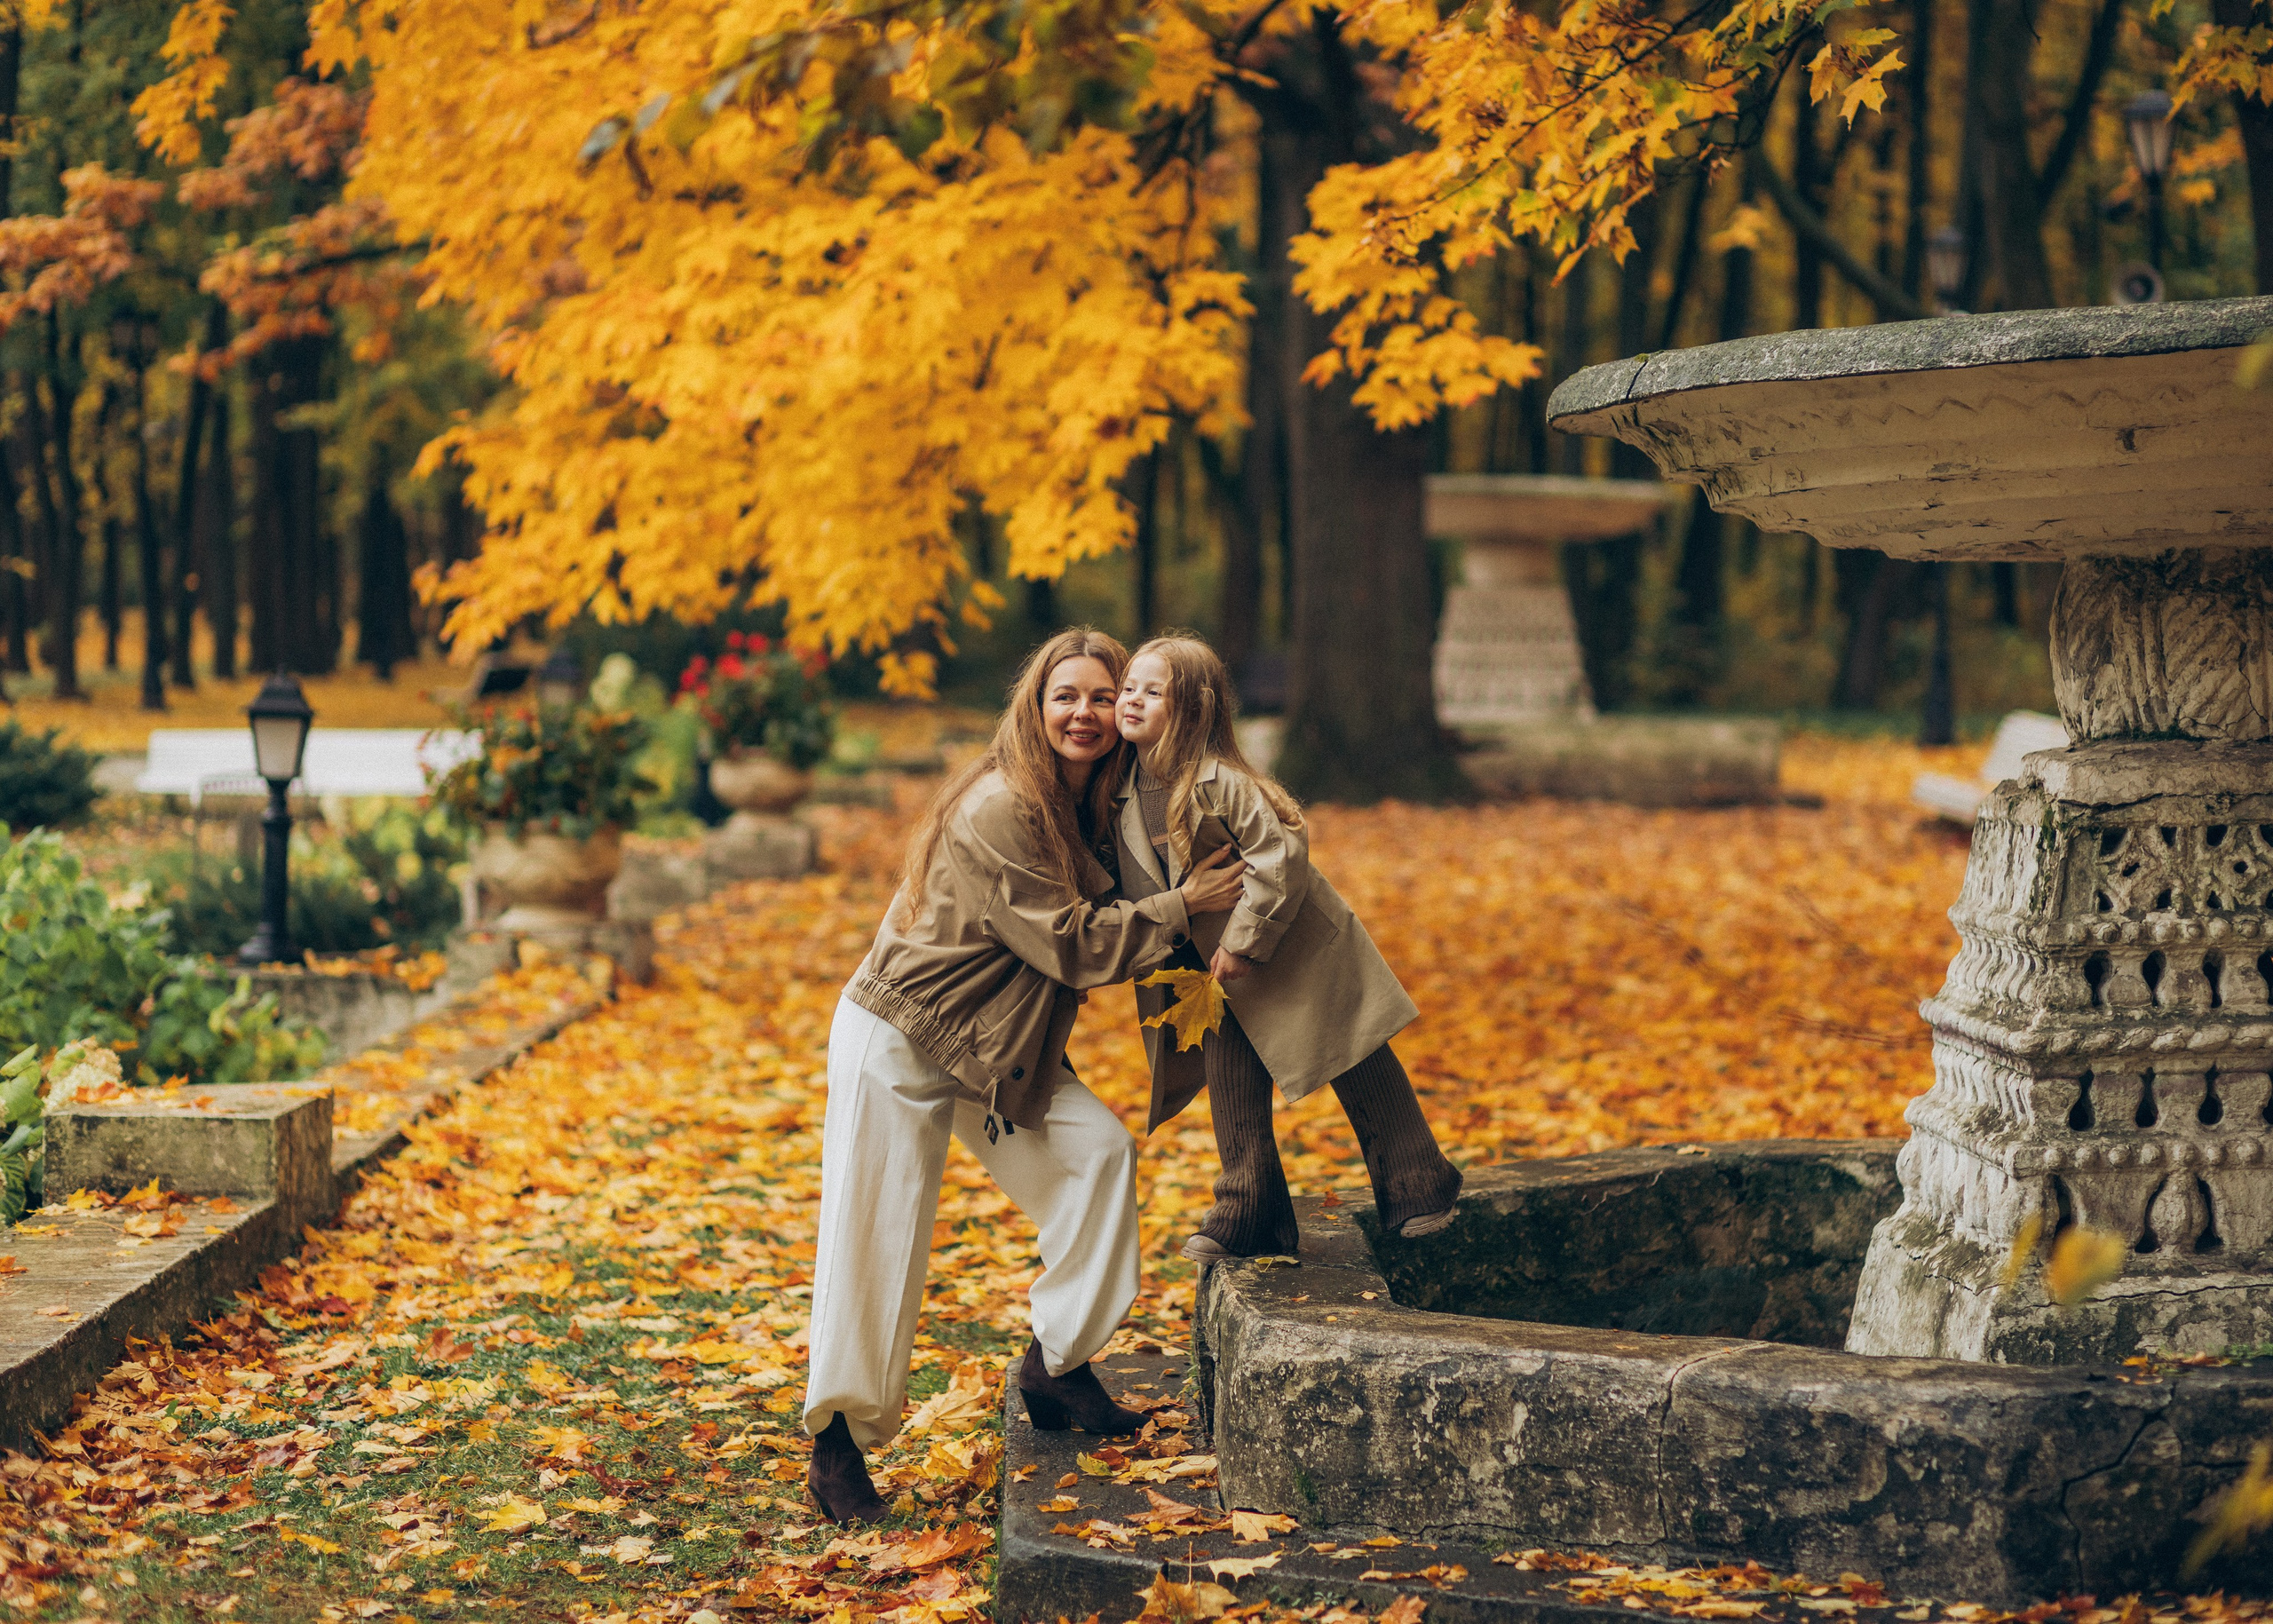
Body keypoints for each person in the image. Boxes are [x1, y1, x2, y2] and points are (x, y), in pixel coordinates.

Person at [804, 628, 1249, 1525]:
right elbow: (1074, 941)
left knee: (1097, 1155)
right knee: (875, 1233)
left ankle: (1057, 1362)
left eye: (1100, 696)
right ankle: (835, 1444)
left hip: (993, 1044)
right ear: (1035, 706)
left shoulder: (1100, 800)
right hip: (902, 1033)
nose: (1082, 713)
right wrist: (1183, 906)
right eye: (1065, 696)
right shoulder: (1000, 804)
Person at [1113, 633, 1462, 1261]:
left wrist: (1248, 939)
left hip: (1291, 946)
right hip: (1209, 969)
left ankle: (1418, 1178)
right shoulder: (1125, 790)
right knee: (1232, 1079)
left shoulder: (1219, 782)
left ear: (1192, 708)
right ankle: (1248, 1206)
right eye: (1129, 687)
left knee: (1351, 1052)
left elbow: (1281, 854)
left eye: (1152, 691)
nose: (1131, 700)